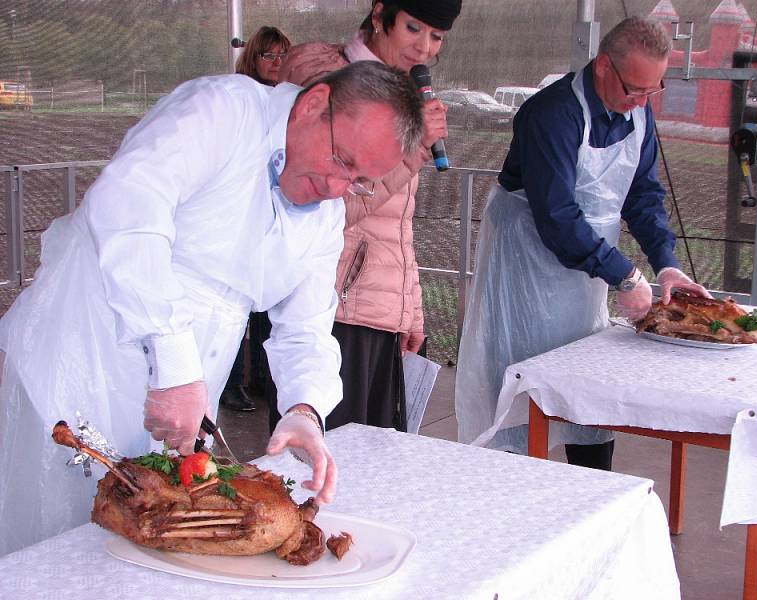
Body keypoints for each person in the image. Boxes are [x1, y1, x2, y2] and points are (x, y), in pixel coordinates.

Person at [0, 60, 424, 556]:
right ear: (313, 105)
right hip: (83, 351)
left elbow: (305, 325)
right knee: (45, 539)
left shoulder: (325, 213)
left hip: (188, 387)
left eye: (358, 180)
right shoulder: (223, 112)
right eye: (341, 160)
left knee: (142, 539)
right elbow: (128, 209)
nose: (337, 188)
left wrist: (305, 409)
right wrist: (174, 360)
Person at [455, 16, 710, 470]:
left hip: (587, 268)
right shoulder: (551, 114)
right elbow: (556, 216)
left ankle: (593, 489)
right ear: (603, 67)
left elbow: (643, 195)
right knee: (524, 378)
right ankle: (513, 483)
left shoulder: (638, 109)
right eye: (635, 89)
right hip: (527, 267)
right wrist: (625, 274)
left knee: (587, 382)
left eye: (653, 90)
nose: (642, 101)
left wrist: (665, 263)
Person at [278, 0, 460, 432]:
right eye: (413, 28)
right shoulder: (327, 80)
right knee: (325, 463)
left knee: (377, 463)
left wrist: (409, 310)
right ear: (379, 16)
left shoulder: (405, 95)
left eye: (436, 37)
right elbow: (322, 207)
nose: (424, 48)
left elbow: (399, 222)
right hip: (331, 306)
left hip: (379, 311)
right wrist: (415, 151)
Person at [221, 25, 293, 412]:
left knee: (268, 305)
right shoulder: (239, 98)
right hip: (240, 215)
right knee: (237, 305)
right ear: (253, 58)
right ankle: (229, 384)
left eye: (284, 55)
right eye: (269, 55)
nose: (277, 63)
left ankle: (264, 378)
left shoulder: (288, 100)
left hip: (274, 213)